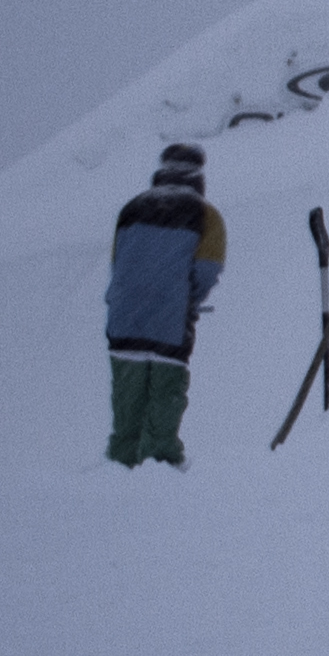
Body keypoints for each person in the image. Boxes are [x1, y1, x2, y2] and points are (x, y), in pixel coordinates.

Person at [103, 143, 228, 468]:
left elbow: (119, 263)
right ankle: (159, 482)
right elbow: (207, 270)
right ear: (198, 174)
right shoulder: (206, 215)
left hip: (123, 323)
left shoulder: (130, 210)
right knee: (164, 408)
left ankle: (115, 479)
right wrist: (186, 302)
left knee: (126, 417)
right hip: (169, 327)